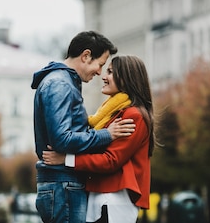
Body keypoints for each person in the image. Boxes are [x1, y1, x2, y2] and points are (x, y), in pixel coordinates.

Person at [31, 31, 136, 223]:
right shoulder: (60, 85)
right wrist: (106, 135)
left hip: (62, 183)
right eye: (101, 64)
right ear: (86, 56)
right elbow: (62, 139)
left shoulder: (61, 82)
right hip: (64, 184)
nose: (99, 72)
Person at [43, 55, 157, 223]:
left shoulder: (133, 115)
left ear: (127, 78)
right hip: (104, 197)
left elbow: (111, 160)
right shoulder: (114, 112)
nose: (103, 76)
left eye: (110, 72)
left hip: (113, 200)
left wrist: (66, 160)